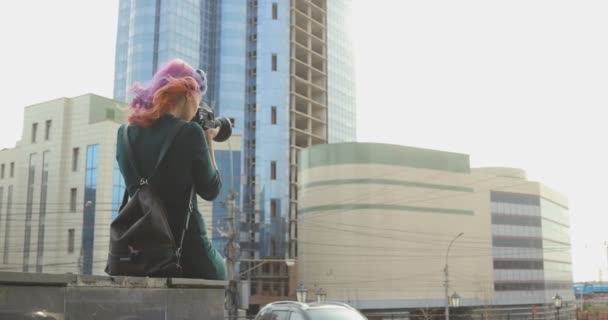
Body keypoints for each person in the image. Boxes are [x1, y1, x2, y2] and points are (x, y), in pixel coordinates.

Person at [116, 58, 227, 280]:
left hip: (135, 253)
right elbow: (211, 190)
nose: (197, 107)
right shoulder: (190, 133)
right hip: (185, 252)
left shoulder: (124, 134)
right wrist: (208, 139)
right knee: (220, 269)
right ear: (188, 94)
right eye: (197, 99)